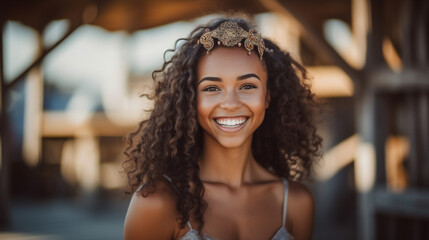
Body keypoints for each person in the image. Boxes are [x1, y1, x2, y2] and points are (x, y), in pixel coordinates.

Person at [123, 15, 322, 240]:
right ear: (191, 99)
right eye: (211, 88)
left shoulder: (296, 203)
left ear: (267, 97)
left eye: (247, 86)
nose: (230, 104)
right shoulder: (157, 203)